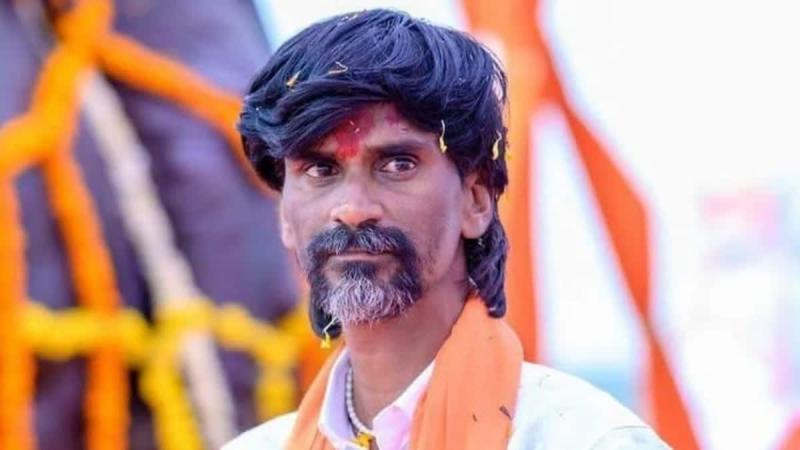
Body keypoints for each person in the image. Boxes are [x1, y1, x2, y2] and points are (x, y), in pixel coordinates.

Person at [225, 8, 670, 450]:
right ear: (284, 215)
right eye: (321, 170)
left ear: (476, 200)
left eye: (397, 164)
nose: (353, 210)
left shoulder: (585, 439)